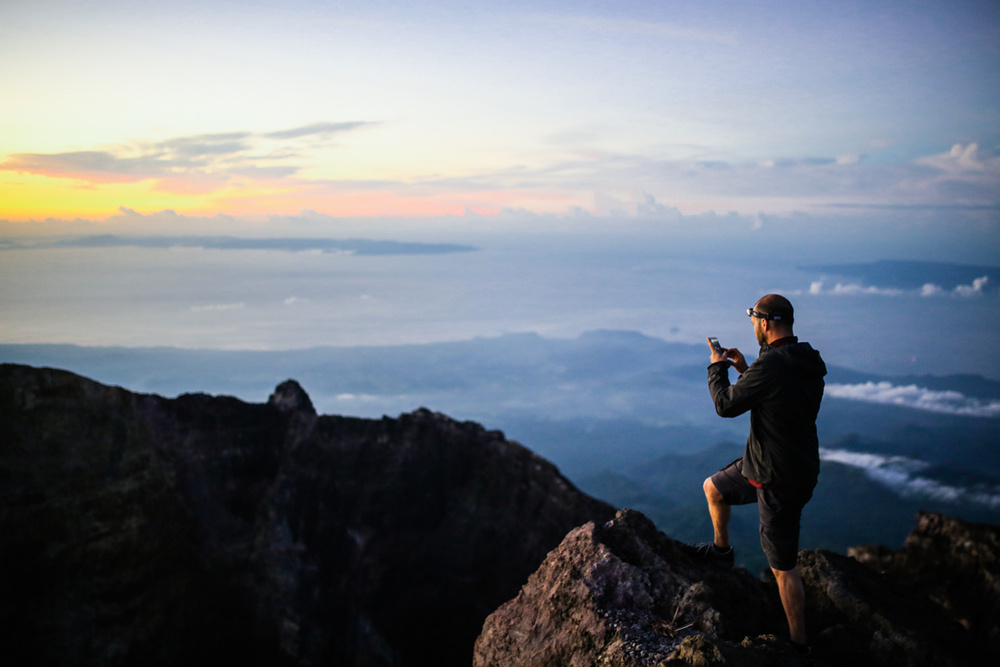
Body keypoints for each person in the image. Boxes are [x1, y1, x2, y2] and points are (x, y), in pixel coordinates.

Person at [697, 294, 826, 652]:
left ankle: (800, 644)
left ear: (765, 323)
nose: (752, 326)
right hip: (776, 462)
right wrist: (745, 369)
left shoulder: (773, 367)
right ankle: (722, 552)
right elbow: (776, 389)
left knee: (783, 567)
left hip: (778, 477)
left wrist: (717, 366)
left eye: (754, 320)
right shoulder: (804, 360)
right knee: (714, 488)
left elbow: (726, 406)